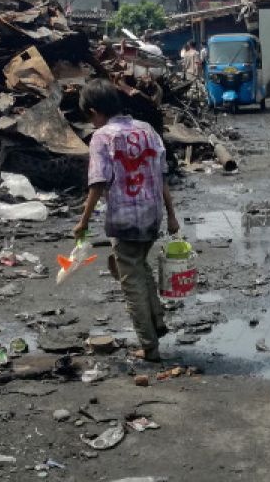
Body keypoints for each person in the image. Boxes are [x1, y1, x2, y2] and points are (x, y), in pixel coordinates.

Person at [72, 79, 180, 363]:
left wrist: (83, 222)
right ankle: (157, 320)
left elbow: (97, 182)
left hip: (124, 219)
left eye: (90, 117)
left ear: (95, 111)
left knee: (130, 283)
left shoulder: (102, 137)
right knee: (140, 265)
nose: (92, 123)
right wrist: (171, 215)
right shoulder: (146, 130)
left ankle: (149, 347)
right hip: (152, 215)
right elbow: (162, 175)